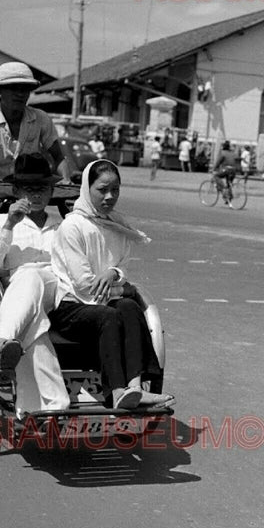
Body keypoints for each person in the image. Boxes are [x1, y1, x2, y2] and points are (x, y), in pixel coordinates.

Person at [49, 160, 174, 410]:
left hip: (103, 303)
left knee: (129, 306)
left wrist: (113, 273)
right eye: (102, 189)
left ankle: (136, 387)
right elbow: (85, 286)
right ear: (87, 188)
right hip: (71, 307)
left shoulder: (117, 226)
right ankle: (117, 391)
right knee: (111, 313)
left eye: (115, 190)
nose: (110, 196)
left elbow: (121, 269)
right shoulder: (71, 227)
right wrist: (119, 283)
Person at [0, 153, 70, 419]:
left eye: (41, 189)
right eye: (28, 189)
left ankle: (4, 341)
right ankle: (51, 405)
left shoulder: (63, 226)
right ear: (16, 190)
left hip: (57, 291)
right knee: (34, 327)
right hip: (20, 300)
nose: (35, 196)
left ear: (51, 191)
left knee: (30, 272)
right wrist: (10, 223)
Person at [0, 61, 70, 184]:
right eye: (13, 88)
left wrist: (66, 179)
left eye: (25, 89)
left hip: (23, 189)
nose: (20, 94)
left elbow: (58, 157)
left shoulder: (41, 119)